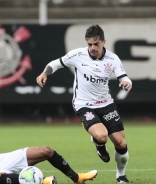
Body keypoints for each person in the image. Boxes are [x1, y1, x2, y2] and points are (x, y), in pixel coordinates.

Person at [36, 24, 132, 184]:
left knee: (121, 143)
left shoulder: (112, 59)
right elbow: (56, 63)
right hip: (84, 104)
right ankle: (98, 144)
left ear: (103, 42)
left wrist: (126, 82)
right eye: (89, 44)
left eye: (96, 44)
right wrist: (44, 73)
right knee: (101, 136)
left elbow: (124, 76)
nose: (92, 48)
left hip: (106, 103)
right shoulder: (78, 55)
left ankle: (121, 176)